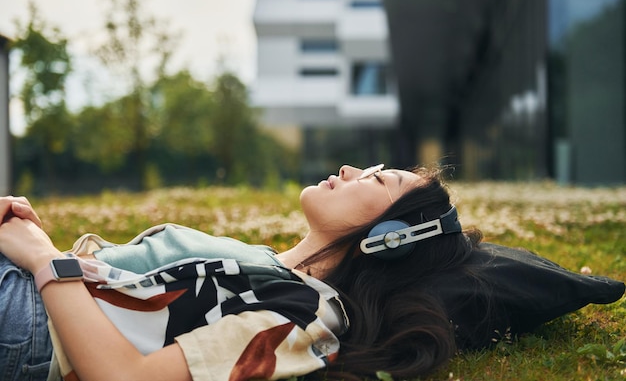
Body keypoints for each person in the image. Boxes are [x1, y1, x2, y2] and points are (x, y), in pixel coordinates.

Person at [0, 164, 622, 381]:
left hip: (29, 323)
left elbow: (124, 375)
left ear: (391, 237)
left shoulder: (307, 315)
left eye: (377, 180)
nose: (352, 170)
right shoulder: (270, 266)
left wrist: (41, 256)